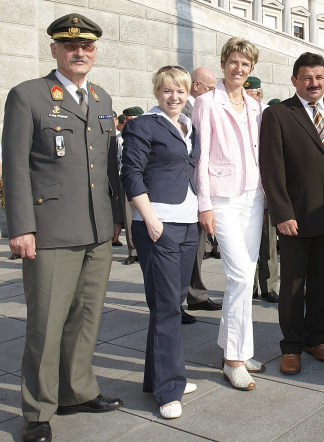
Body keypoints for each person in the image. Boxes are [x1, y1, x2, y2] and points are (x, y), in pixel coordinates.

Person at [2, 13, 124, 442]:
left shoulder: (102, 97)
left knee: (87, 318)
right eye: (70, 46)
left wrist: (117, 220)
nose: (80, 53)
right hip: (50, 230)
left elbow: (110, 165)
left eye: (87, 47)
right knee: (46, 324)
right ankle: (37, 410)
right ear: (53, 48)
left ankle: (77, 389)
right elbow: (15, 166)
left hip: (97, 229)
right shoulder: (29, 96)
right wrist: (21, 227)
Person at [260, 52, 324, 375]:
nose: (314, 83)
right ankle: (291, 346)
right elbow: (271, 169)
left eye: (319, 77)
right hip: (295, 219)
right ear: (294, 80)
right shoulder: (278, 114)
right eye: (307, 78)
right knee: (293, 286)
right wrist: (282, 213)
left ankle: (316, 338)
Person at [121, 65, 201, 419]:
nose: (174, 97)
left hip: (187, 224)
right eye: (168, 90)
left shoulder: (188, 125)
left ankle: (161, 377)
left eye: (181, 91)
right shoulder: (143, 125)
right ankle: (169, 388)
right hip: (158, 224)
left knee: (173, 302)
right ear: (157, 92)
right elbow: (130, 173)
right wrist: (150, 218)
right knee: (167, 306)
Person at [193, 38, 267, 390]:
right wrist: (204, 203)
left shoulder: (255, 106)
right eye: (234, 62)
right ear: (223, 63)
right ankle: (232, 360)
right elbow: (201, 155)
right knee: (238, 276)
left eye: (245, 65)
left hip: (253, 198)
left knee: (246, 275)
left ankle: (236, 348)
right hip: (221, 198)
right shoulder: (206, 103)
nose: (239, 69)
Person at [181, 66, 223, 318]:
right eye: (210, 88)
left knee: (194, 248)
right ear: (196, 86)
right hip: (182, 191)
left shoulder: (201, 106)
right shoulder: (184, 108)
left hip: (198, 191)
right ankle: (177, 302)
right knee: (182, 252)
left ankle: (195, 294)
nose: (213, 92)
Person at [245, 76, 280, 303]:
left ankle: (269, 286)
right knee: (246, 239)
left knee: (268, 238)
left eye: (250, 93)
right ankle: (249, 285)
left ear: (259, 94)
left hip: (265, 183)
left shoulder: (268, 114)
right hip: (244, 186)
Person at [119, 106, 144, 265]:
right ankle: (133, 250)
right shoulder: (120, 137)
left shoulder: (145, 133)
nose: (127, 122)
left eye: (131, 120)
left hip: (143, 180)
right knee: (129, 217)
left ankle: (144, 249)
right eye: (126, 120)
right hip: (125, 179)